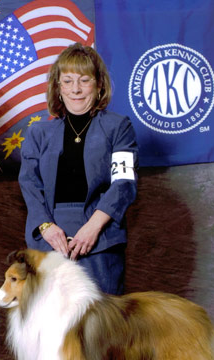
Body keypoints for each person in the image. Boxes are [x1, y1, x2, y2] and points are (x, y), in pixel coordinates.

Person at [19, 43, 138, 295]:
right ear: (58, 87)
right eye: (68, 81)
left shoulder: (119, 127)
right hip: (48, 240)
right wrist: (46, 227)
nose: (76, 89)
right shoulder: (38, 133)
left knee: (102, 318)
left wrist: (93, 228)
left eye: (84, 80)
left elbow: (123, 183)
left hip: (101, 239)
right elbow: (29, 184)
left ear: (99, 85)